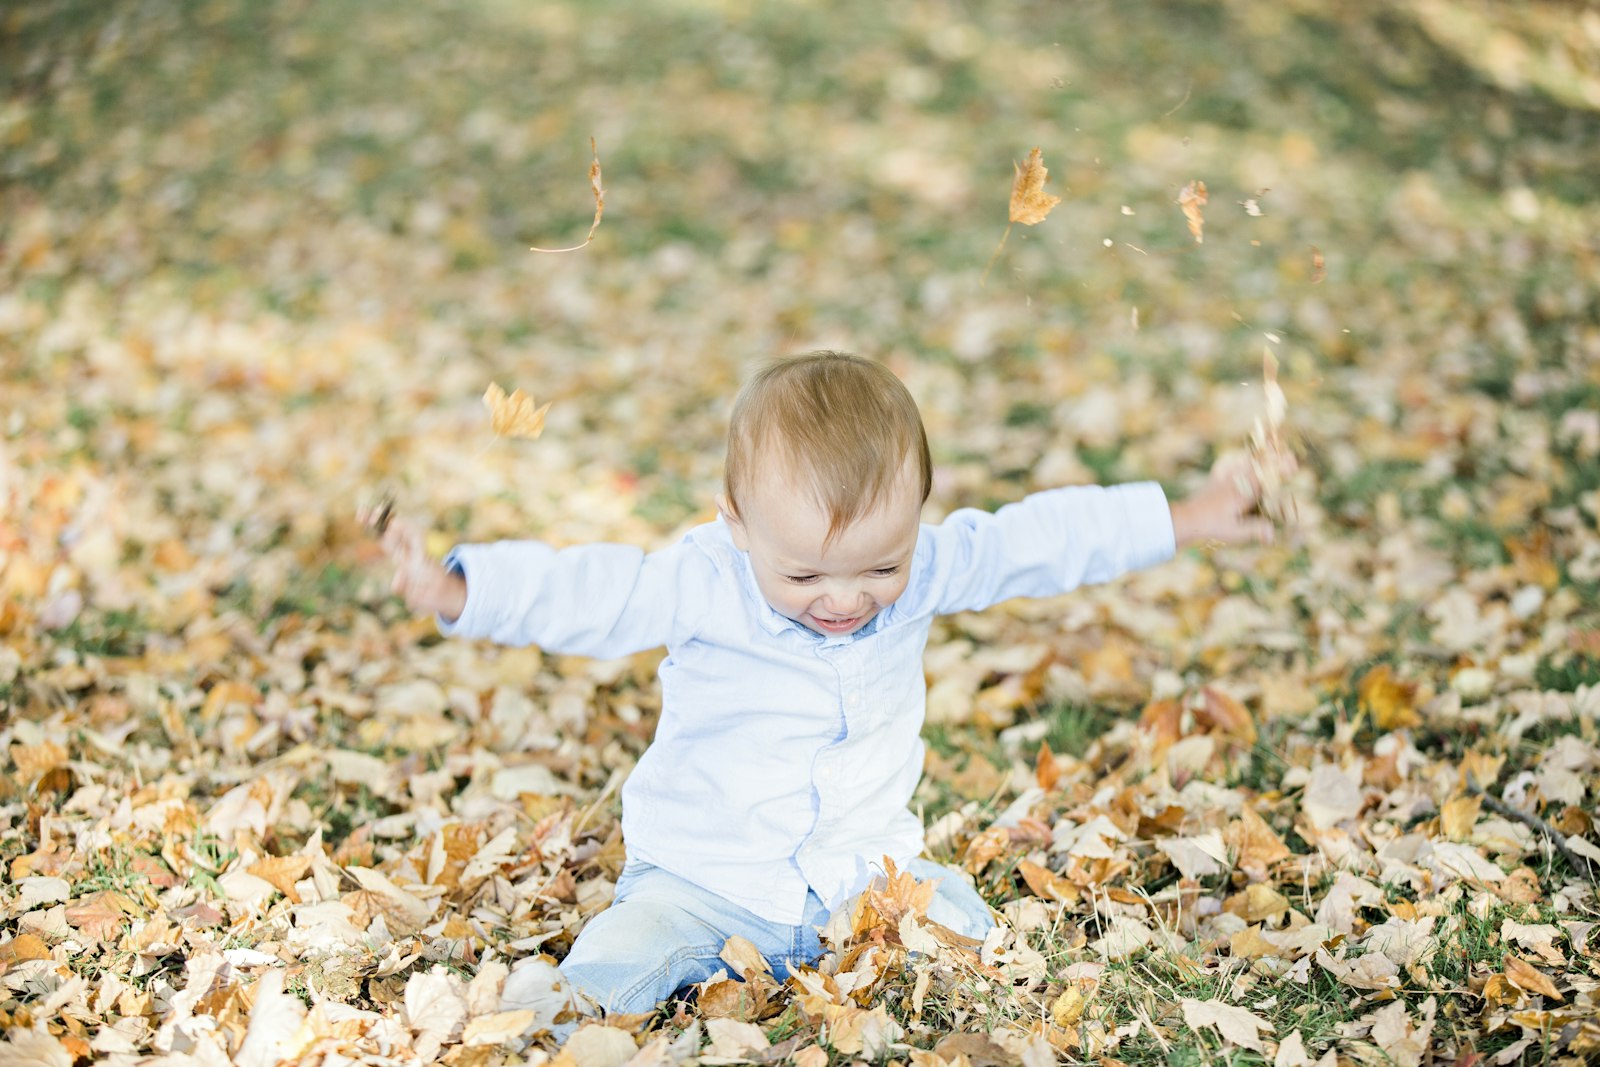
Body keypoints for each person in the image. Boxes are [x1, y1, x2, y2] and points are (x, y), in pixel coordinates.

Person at [370, 350, 1281, 1016]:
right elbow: (585, 591)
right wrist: (458, 588)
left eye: (879, 567)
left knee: (971, 928)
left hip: (859, 872)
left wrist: (1190, 516)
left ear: (917, 519)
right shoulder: (702, 578)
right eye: (804, 576)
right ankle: (551, 1016)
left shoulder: (926, 566)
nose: (845, 598)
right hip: (704, 876)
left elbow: (1041, 541)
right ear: (736, 521)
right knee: (620, 960)